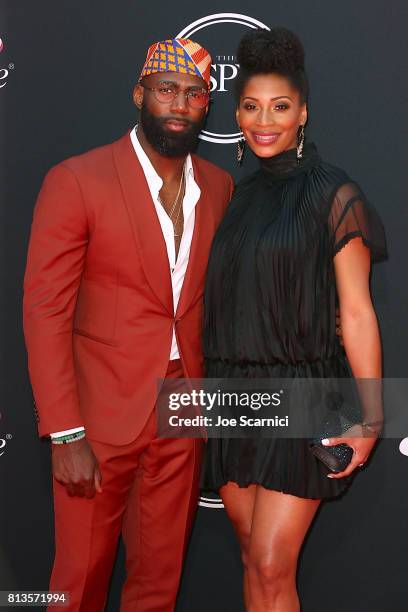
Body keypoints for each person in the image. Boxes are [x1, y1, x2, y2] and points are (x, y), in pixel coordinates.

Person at [23, 37, 233, 611]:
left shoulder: (219, 187)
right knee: (78, 583)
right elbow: (45, 313)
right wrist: (64, 432)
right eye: (167, 90)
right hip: (96, 420)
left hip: (183, 414)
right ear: (140, 93)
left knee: (159, 583)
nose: (179, 104)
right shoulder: (78, 180)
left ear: (205, 108)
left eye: (194, 95)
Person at [202, 28, 387, 611]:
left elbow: (357, 311)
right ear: (237, 111)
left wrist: (372, 419)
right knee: (253, 560)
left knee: (269, 563)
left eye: (280, 107)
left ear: (303, 112)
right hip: (232, 399)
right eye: (252, 106)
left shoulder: (336, 195)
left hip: (306, 397)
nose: (265, 120)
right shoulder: (236, 198)